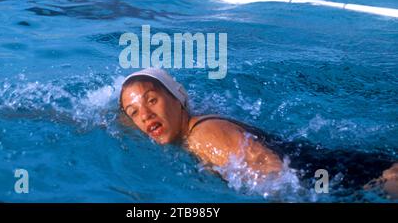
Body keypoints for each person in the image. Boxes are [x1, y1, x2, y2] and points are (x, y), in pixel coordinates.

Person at [119, 68, 398, 199]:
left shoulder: (204, 135)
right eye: (133, 112)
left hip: (331, 176)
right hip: (330, 167)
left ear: (178, 99)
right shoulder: (192, 128)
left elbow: (271, 171)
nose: (144, 116)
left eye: (152, 101)